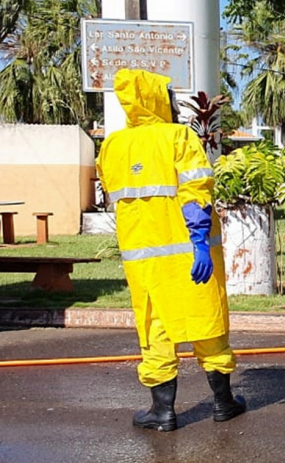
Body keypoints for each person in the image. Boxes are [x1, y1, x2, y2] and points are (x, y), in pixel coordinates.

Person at [96, 69, 245, 432]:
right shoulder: (179, 136)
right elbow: (196, 190)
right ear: (155, 98)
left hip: (143, 258)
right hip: (191, 254)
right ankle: (223, 403)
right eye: (170, 97)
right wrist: (198, 242)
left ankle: (162, 413)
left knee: (154, 329)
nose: (176, 104)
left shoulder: (113, 145)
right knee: (207, 323)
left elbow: (109, 192)